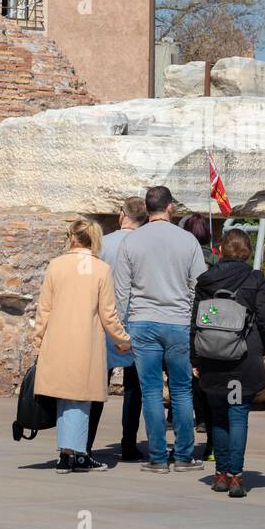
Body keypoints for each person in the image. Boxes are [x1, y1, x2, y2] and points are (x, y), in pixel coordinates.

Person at [113, 185, 208, 473]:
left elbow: (121, 290)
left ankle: (156, 456)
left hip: (142, 321)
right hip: (177, 320)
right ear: (170, 208)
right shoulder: (187, 240)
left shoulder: (131, 242)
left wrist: (121, 328)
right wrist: (192, 320)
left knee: (151, 391)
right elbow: (199, 285)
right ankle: (182, 455)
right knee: (181, 390)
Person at [32, 218, 132, 473]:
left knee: (66, 399)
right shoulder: (101, 269)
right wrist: (123, 341)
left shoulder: (56, 265)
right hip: (85, 342)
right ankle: (75, 454)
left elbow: (44, 309)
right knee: (80, 400)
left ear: (72, 237)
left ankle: (68, 453)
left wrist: (38, 340)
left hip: (57, 340)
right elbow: (109, 314)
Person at [191, 229, 265, 498]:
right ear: (247, 251)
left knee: (218, 416)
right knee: (238, 415)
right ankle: (236, 476)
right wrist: (260, 346)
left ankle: (220, 474)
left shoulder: (205, 280)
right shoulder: (255, 279)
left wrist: (195, 357)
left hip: (212, 358)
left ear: (221, 250)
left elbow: (195, 321)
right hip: (242, 357)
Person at [86, 196, 146, 461]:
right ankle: (129, 443)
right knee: (135, 387)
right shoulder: (146, 245)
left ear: (122, 214)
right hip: (136, 320)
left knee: (97, 385)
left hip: (104, 320)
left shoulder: (104, 244)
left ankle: (85, 442)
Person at [180, 213, 216, 461]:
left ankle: (198, 420)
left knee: (189, 381)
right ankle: (212, 438)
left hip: (187, 321)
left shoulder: (184, 257)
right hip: (211, 322)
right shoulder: (215, 260)